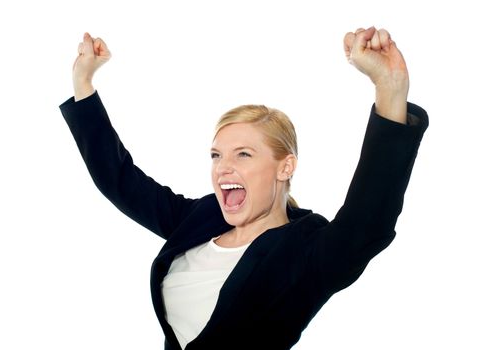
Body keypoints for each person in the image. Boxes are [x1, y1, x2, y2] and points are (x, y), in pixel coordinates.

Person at [59, 27, 428, 350]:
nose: (224, 167)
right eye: (217, 155)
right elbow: (119, 179)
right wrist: (83, 85)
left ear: (286, 166)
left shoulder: (307, 252)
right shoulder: (199, 219)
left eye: (244, 154)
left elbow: (369, 219)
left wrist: (390, 88)